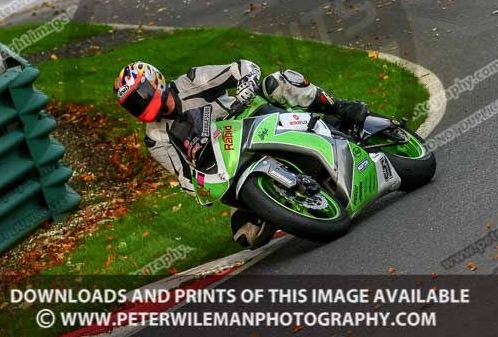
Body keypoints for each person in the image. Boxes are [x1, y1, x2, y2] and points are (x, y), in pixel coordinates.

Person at [114, 59, 367, 249]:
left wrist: (245, 87)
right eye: (133, 104)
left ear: (155, 81)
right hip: (229, 164)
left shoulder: (191, 81)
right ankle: (283, 195)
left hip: (252, 120)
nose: (141, 104)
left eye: (141, 95)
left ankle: (341, 107)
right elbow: (183, 176)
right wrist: (200, 185)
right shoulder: (155, 137)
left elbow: (244, 68)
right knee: (247, 236)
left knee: (277, 83)